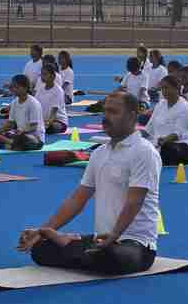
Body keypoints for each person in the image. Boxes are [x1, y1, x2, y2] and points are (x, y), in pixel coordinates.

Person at [16, 91, 161, 275]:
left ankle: (71, 243)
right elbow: (77, 199)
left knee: (108, 258)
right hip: (100, 240)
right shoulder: (99, 153)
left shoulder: (144, 152)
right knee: (39, 251)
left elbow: (134, 201)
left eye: (113, 112)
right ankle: (72, 243)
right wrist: (43, 230)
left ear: (132, 116)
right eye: (105, 111)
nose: (106, 117)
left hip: (135, 244)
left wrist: (114, 236)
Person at [143, 75, 188, 166]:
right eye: (162, 88)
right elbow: (149, 128)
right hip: (159, 144)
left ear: (177, 89)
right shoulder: (160, 105)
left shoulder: (186, 108)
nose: (163, 91)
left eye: (166, 88)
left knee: (166, 149)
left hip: (180, 147)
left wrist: (163, 141)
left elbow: (177, 134)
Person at [0, 74, 45, 150]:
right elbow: (10, 125)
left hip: (34, 138)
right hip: (18, 135)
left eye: (16, 87)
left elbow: (33, 127)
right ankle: (11, 144)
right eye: (13, 87)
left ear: (25, 88)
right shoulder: (14, 103)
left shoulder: (33, 103)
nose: (14, 89)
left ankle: (10, 143)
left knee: (24, 139)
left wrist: (22, 131)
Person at [35, 64, 69, 135]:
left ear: (53, 76)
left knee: (49, 128)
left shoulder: (58, 91)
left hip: (58, 121)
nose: (42, 76)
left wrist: (47, 123)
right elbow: (35, 105)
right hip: (43, 121)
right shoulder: (40, 89)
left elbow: (54, 112)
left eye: (45, 74)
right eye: (41, 74)